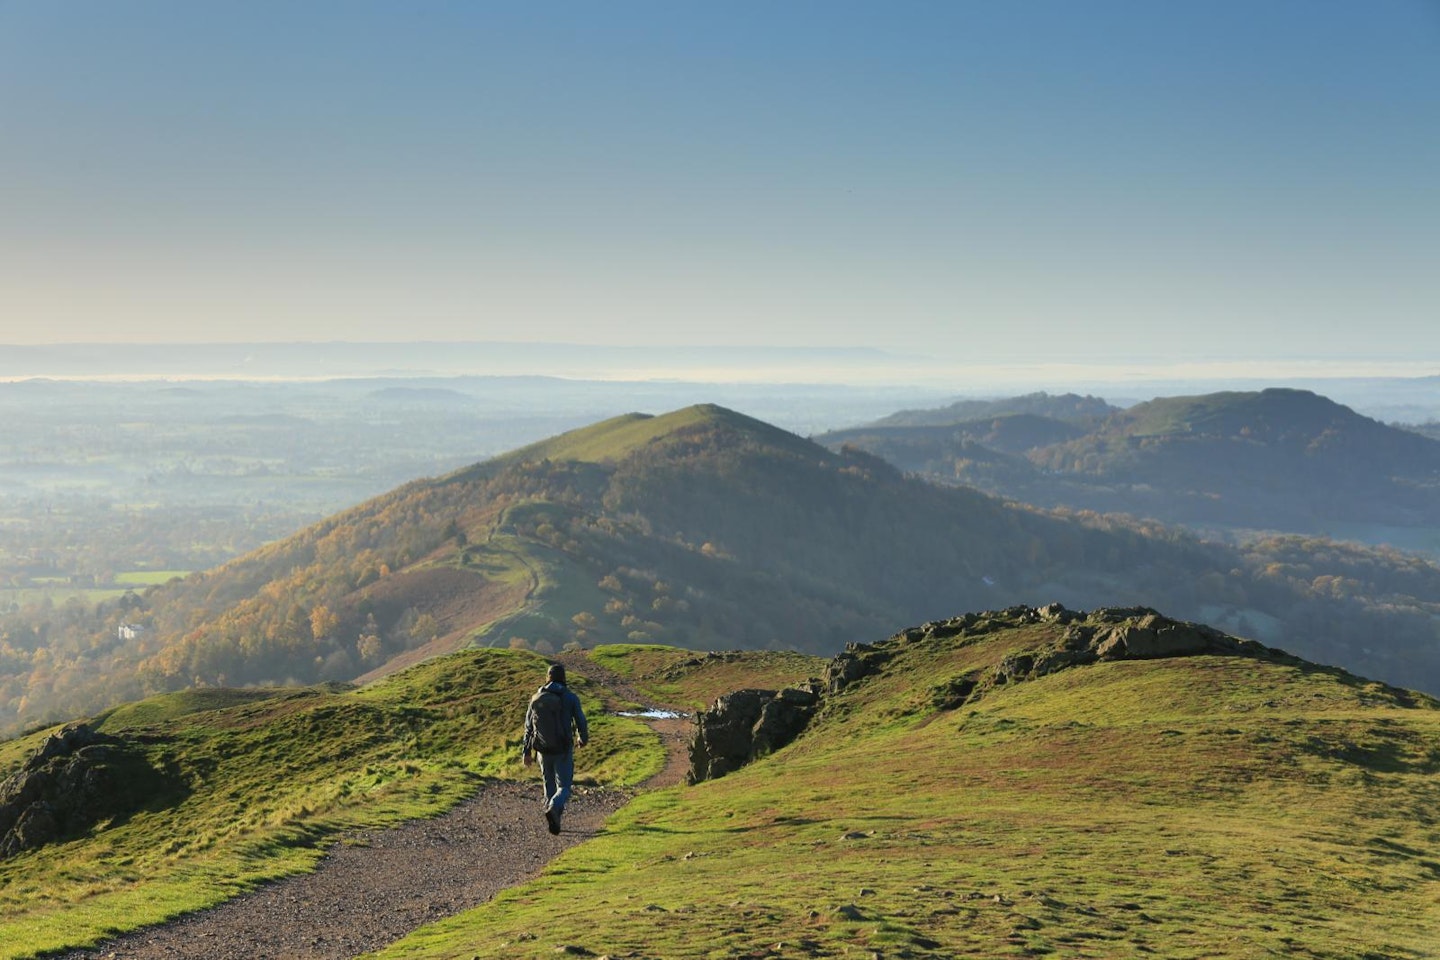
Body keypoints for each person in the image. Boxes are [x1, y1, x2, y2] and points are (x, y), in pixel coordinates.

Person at [522, 662, 589, 834]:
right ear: (563, 678)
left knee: (548, 785)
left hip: (542, 750)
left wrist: (526, 752)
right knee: (564, 786)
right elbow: (580, 720)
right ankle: (554, 807)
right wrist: (583, 738)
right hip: (563, 748)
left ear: (548, 677)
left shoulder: (536, 697)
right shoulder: (570, 697)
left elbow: (529, 726)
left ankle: (554, 822)